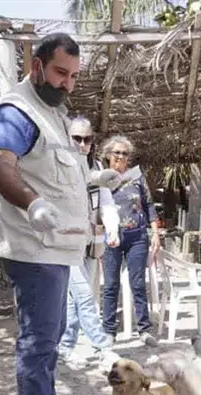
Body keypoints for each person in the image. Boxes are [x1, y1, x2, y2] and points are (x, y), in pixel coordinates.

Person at [0, 33, 93, 395]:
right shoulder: (16, 111)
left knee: (50, 340)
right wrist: (33, 204)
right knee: (38, 343)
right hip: (33, 248)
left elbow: (58, 176)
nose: (67, 83)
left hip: (58, 248)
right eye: (60, 73)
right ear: (36, 66)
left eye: (74, 76)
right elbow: (2, 168)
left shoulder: (54, 115)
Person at [57, 117, 120, 367]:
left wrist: (112, 229)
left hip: (90, 243)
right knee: (84, 296)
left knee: (75, 299)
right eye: (77, 139)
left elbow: (106, 203)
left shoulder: (96, 166)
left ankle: (65, 347)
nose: (82, 144)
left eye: (87, 139)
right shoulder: (58, 167)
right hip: (65, 244)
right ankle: (103, 348)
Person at [99, 135, 161, 347]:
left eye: (125, 153)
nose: (120, 156)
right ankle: (109, 331)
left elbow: (149, 205)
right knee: (110, 285)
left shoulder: (137, 177)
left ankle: (144, 330)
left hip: (137, 237)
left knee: (138, 284)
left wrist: (155, 234)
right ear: (108, 154)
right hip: (111, 237)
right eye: (116, 152)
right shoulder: (101, 178)